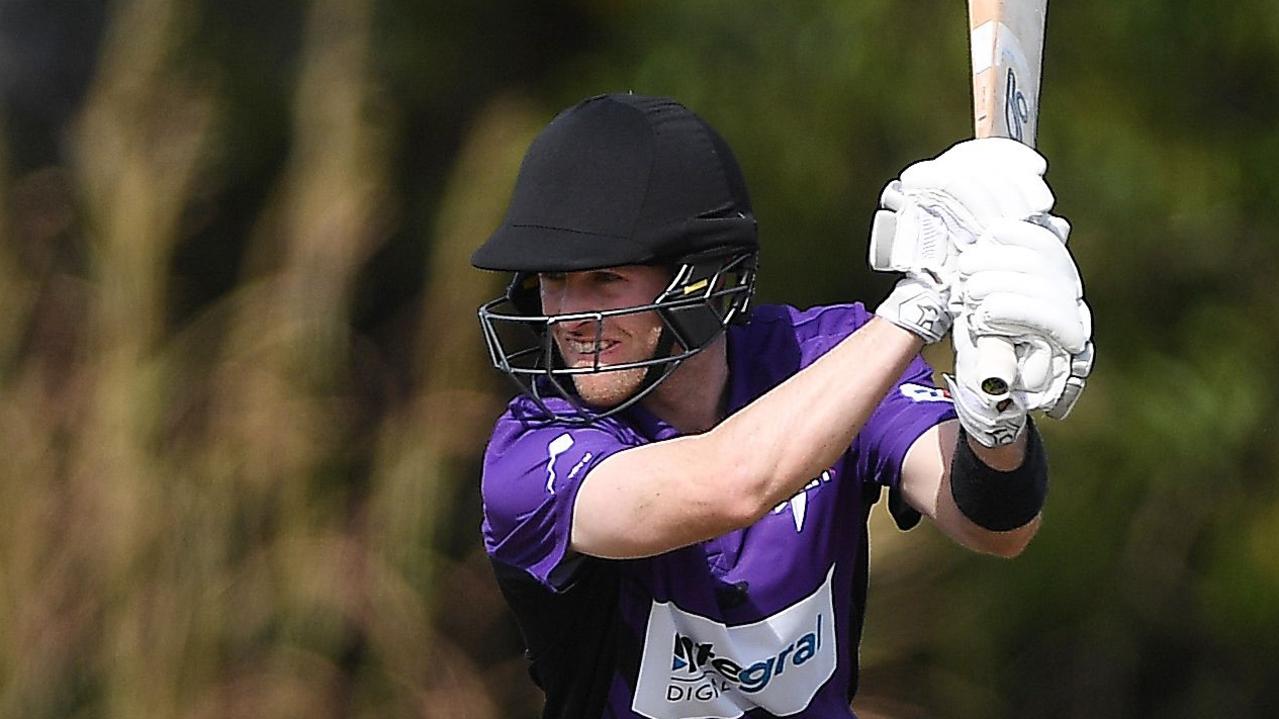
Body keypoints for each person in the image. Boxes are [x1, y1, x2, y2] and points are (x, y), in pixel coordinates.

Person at [470, 93, 1092, 719]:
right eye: (553, 282)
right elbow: (730, 485)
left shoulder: (828, 356)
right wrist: (922, 304)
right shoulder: (531, 451)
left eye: (605, 280)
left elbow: (994, 526)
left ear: (699, 278)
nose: (570, 317)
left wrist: (999, 409)